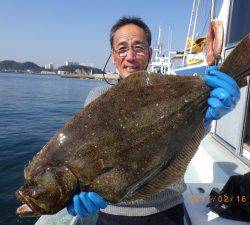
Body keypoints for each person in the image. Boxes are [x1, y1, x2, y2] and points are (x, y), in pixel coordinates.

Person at [67, 16, 240, 225]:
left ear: (149, 54)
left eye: (138, 48)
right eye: (122, 49)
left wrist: (208, 116)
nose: (130, 56)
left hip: (166, 209)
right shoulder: (96, 98)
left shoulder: (174, 92)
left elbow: (187, 140)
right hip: (113, 212)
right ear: (113, 57)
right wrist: (76, 191)